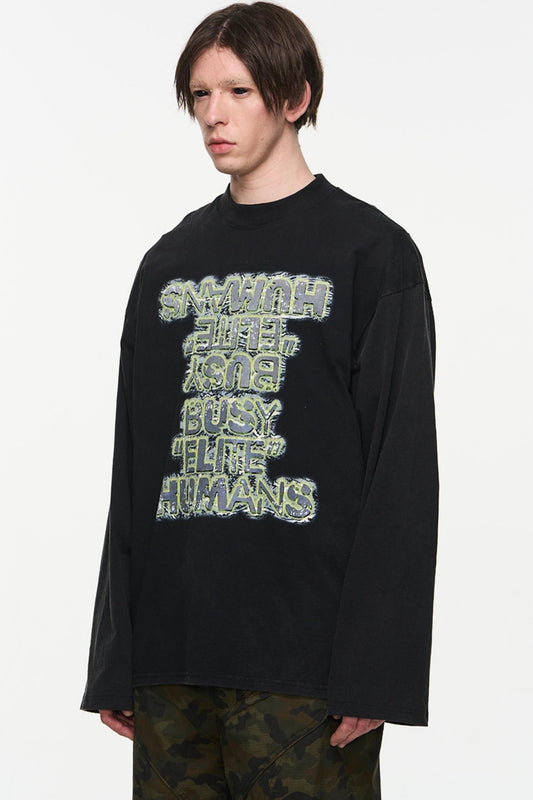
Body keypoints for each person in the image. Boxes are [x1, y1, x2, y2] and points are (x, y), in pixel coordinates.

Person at [81, 3, 439, 798]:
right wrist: (115, 654)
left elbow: (402, 470)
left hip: (306, 669)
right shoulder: (168, 263)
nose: (214, 115)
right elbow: (135, 465)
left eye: (238, 91)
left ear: (294, 98)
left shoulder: (370, 253)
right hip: (172, 660)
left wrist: (376, 670)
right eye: (201, 94)